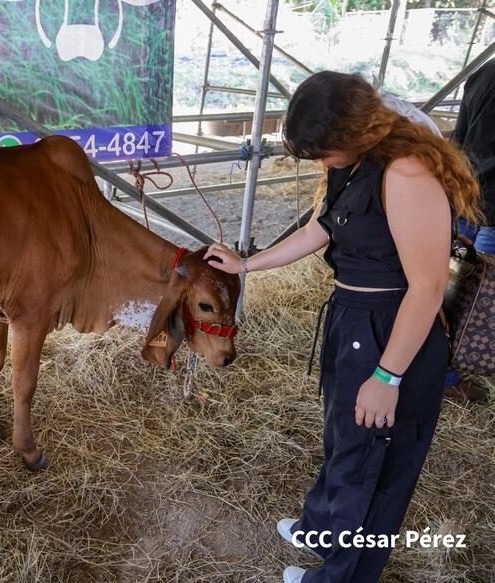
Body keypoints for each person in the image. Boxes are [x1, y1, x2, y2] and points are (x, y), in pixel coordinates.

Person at [204, 71, 482, 583]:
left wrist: (387, 377)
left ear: (353, 132)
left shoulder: (405, 173)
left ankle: (341, 576)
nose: (319, 164)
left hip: (393, 330)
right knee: (344, 441)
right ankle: (323, 528)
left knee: (372, 464)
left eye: (322, 153)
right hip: (352, 317)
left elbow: (425, 287)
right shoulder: (354, 164)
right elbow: (319, 228)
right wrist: (247, 264)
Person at [443, 58, 495, 401]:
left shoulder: (484, 71)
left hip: (468, 196)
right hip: (488, 204)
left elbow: (460, 141)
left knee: (454, 289)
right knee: (472, 294)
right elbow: (483, 152)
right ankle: (447, 375)